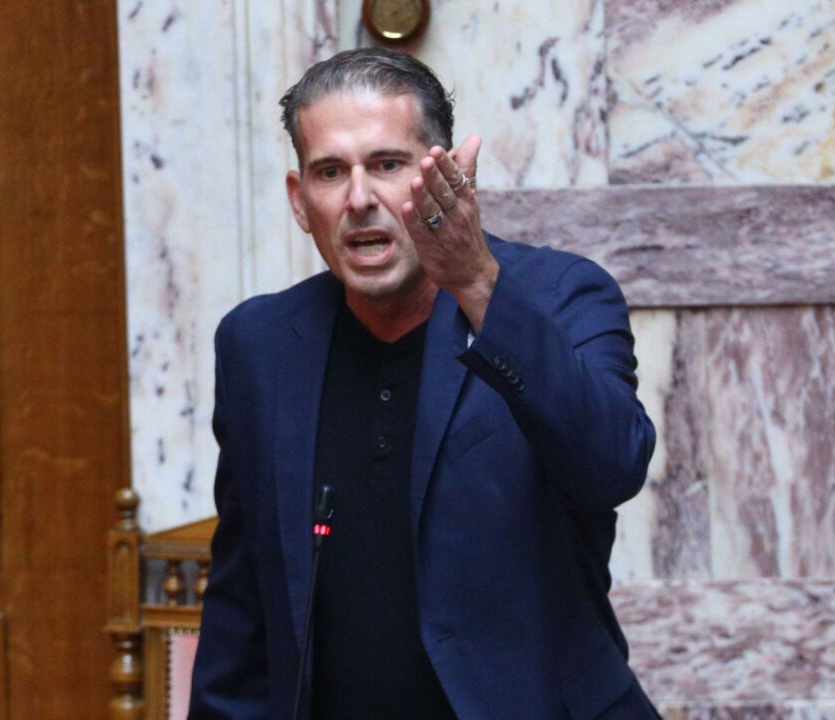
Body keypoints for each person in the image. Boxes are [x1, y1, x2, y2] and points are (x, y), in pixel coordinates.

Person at [188, 47, 660, 720]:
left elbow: (612, 466)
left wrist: (476, 283)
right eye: (330, 172)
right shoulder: (259, 345)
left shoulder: (561, 297)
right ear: (300, 200)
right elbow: (243, 606)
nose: (360, 200)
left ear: (447, 178)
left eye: (387, 165)